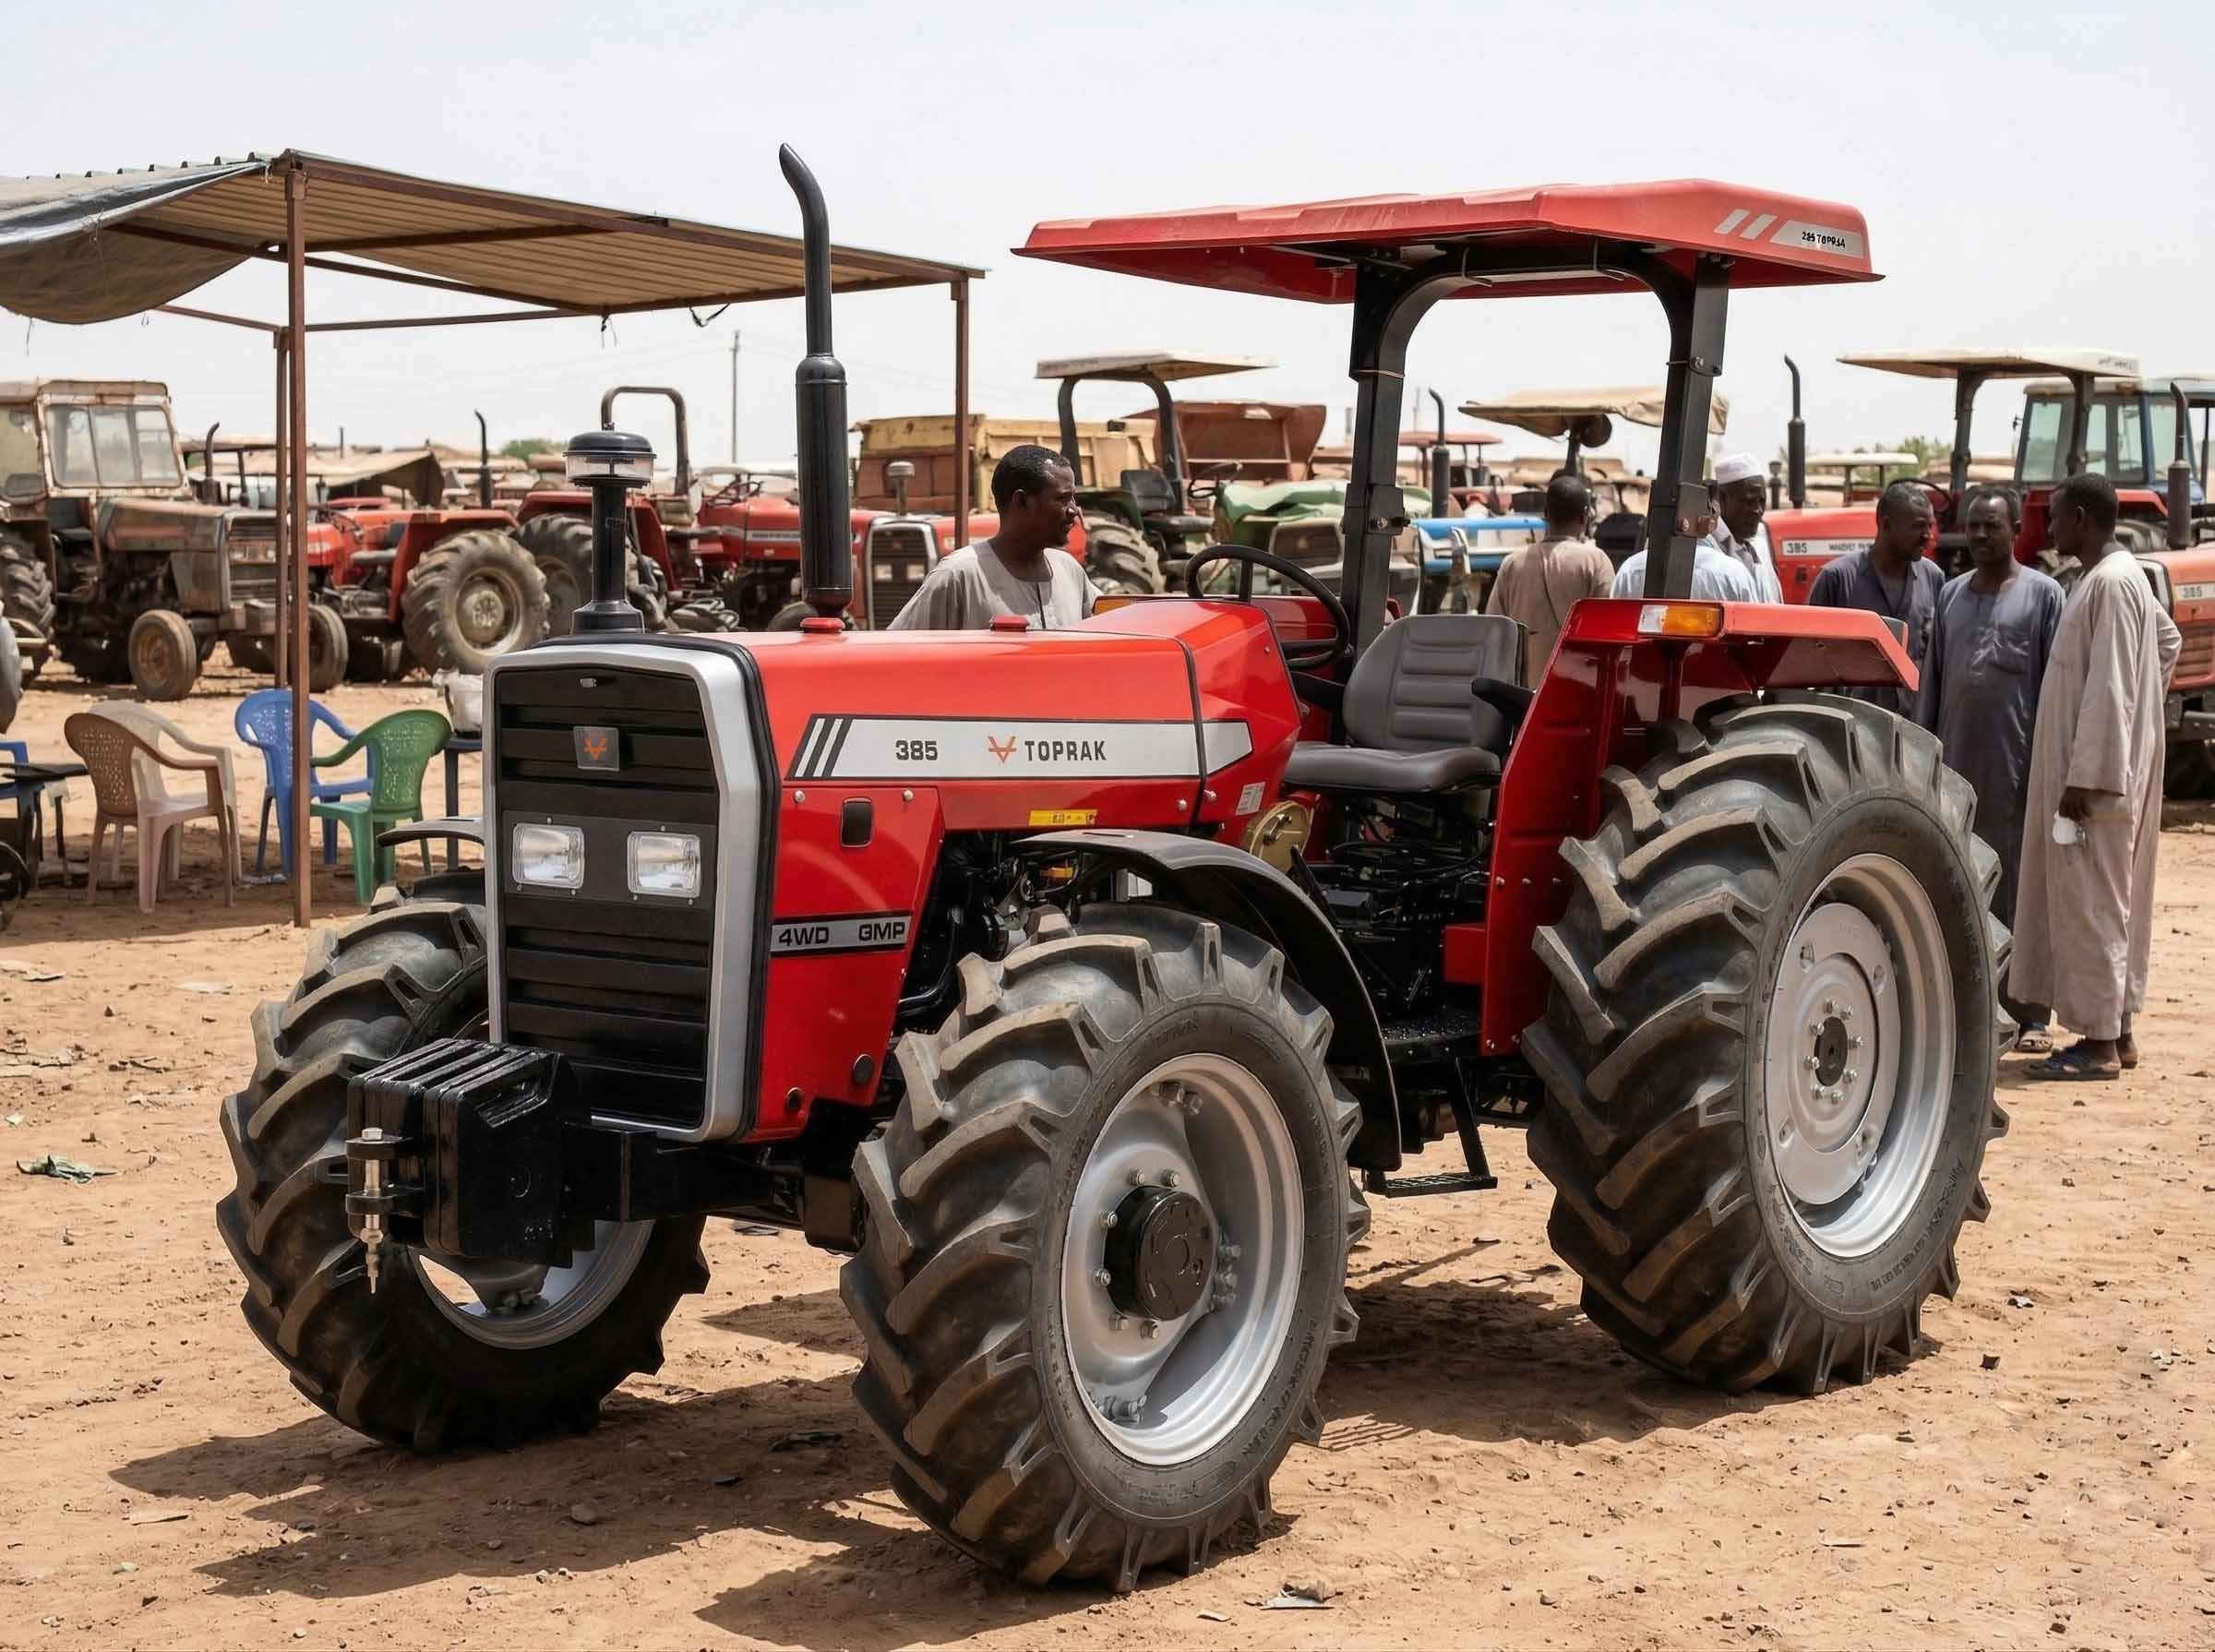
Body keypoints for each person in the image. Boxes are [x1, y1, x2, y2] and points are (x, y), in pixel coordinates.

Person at [2010, 473, 2182, 1080]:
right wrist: (2143, 730)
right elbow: (2167, 640)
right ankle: (2120, 1029)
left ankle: (2099, 1046)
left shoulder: (2108, 583)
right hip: (2113, 770)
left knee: (2091, 907)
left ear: (2081, 518)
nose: (2049, 529)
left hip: (2096, 784)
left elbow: (2110, 686)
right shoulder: (2121, 577)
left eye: (2055, 517)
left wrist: (2091, 773)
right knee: (2112, 903)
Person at [1912, 487, 2064, 1048]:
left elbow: (2056, 688)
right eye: (1973, 527)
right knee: (1961, 887)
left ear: (2015, 529)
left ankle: (2030, 1015)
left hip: (2019, 773)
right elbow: (1932, 686)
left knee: (2020, 891)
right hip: (1957, 775)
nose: (1979, 536)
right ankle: (1973, 1014)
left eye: (1991, 527)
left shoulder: (2044, 595)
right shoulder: (1950, 596)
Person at [889, 445, 1098, 630]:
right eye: (1062, 499)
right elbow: (895, 652)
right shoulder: (959, 575)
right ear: (1022, 502)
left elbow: (1113, 622)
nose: (1073, 510)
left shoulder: (1069, 570)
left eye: (1073, 498)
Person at [1806, 480, 1943, 716]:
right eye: (1919, 526)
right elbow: (1810, 660)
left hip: (1914, 724)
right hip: (1852, 725)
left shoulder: (1933, 577)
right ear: (1886, 524)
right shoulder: (1837, 578)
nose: (1927, 536)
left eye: (1929, 526)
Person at [1483, 472, 1615, 681]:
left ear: (1545, 513)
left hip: (1523, 691)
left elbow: (1494, 629)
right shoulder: (1596, 561)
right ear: (1585, 516)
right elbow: (1609, 631)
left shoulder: (1513, 563)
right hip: (1578, 686)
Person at [1610, 496, 1760, 601]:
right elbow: (1753, 634)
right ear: (1709, 518)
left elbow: (1616, 628)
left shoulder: (1629, 571)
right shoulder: (1733, 573)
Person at [1705, 452, 1783, 601]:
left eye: (1761, 501)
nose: (1758, 510)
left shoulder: (1760, 546)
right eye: (1749, 502)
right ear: (1721, 498)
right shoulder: (1708, 545)